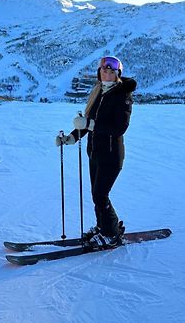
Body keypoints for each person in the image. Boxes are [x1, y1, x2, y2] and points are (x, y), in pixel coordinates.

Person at [55, 56, 137, 249]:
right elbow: (88, 125)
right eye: (104, 70)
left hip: (111, 155)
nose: (107, 73)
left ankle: (112, 234)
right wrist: (72, 138)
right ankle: (104, 228)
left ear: (118, 75)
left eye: (111, 71)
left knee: (101, 195)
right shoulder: (98, 92)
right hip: (95, 152)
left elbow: (119, 128)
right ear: (99, 72)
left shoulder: (122, 95)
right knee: (96, 195)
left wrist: (90, 124)